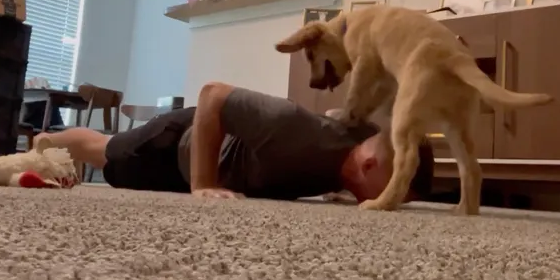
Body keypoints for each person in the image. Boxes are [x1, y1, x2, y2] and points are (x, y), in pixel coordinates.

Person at [36, 82, 435, 203]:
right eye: (396, 192)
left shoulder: (357, 148)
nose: (394, 203)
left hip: (226, 169)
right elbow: (213, 95)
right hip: (178, 146)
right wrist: (203, 184)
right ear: (368, 167)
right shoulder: (291, 125)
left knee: (107, 151)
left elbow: (338, 117)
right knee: (105, 151)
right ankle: (46, 140)